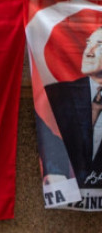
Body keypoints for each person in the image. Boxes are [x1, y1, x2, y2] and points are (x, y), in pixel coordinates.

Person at [39, 26, 102, 189]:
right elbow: (46, 136)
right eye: (89, 44)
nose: (89, 52)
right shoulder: (56, 95)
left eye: (99, 45)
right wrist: (54, 171)